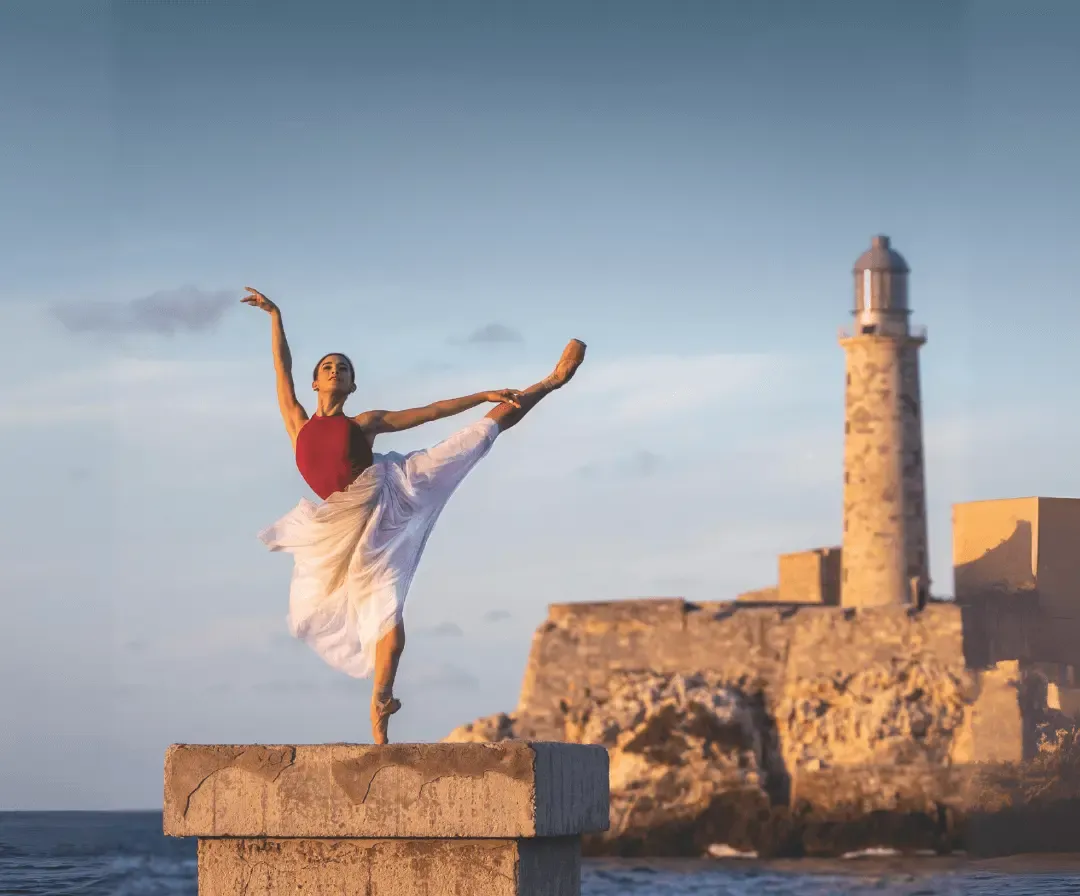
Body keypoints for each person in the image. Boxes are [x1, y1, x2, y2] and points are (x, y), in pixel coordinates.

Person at [242, 287, 586, 744]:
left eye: (343, 368)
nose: (335, 371)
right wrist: (275, 316)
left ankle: (551, 381)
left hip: (391, 493)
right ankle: (384, 700)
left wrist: (480, 395)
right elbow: (280, 367)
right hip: (343, 528)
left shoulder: (363, 422)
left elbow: (430, 413)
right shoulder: (297, 422)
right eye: (327, 367)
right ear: (316, 383)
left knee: (472, 437)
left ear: (352, 385)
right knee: (386, 624)